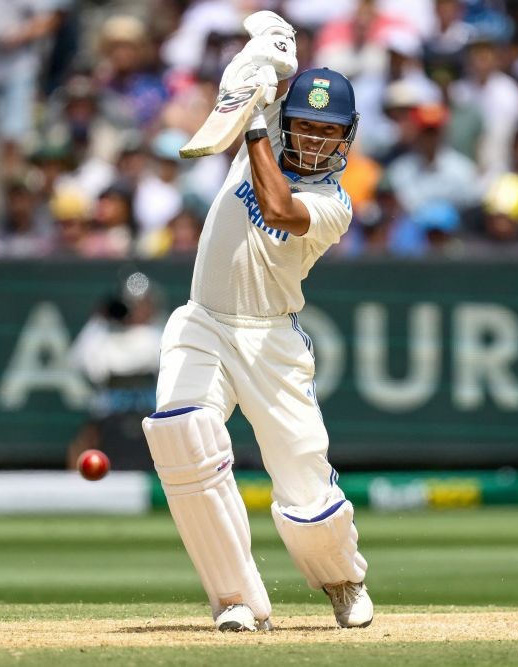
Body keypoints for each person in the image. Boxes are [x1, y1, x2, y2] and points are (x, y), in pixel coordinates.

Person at [140, 10, 372, 633]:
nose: (316, 141)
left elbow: (277, 204)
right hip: (204, 321)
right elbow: (248, 84)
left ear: (346, 136)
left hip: (271, 339)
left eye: (328, 131)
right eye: (305, 126)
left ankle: (342, 579)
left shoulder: (333, 204)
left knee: (303, 483)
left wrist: (257, 121)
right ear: (289, 122)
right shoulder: (259, 131)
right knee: (180, 436)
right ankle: (236, 598)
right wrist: (265, 55)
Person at [69, 271, 163, 471]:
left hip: (152, 418)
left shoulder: (157, 337)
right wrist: (100, 319)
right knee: (84, 441)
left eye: (141, 305)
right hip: (109, 420)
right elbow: (84, 363)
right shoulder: (103, 339)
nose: (136, 311)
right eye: (131, 305)